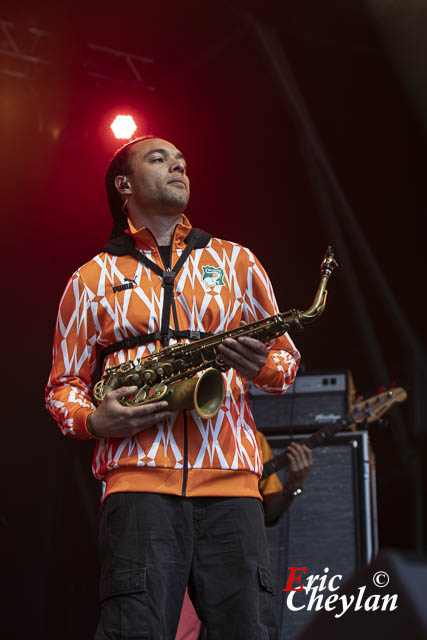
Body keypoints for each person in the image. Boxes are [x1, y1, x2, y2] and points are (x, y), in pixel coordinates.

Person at [45, 135, 301, 640]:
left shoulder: (238, 263)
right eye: (159, 159)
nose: (177, 166)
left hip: (233, 487)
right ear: (124, 184)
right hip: (138, 486)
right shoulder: (88, 278)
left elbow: (286, 362)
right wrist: (95, 419)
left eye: (182, 161)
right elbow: (63, 388)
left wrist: (259, 368)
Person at [176, 434, 313, 639]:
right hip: (172, 534)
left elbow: (268, 513)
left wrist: (292, 488)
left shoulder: (249, 437)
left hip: (221, 552)